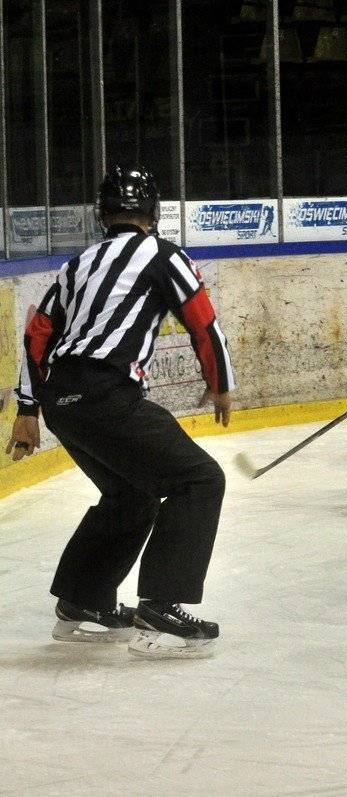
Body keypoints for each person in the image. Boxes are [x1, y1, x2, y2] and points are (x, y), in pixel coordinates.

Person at [5, 165, 234, 658]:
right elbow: (202, 321)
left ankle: (83, 601)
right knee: (199, 480)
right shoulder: (164, 255)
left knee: (131, 494)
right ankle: (162, 607)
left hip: (62, 398)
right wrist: (221, 384)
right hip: (106, 393)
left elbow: (37, 334)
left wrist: (28, 409)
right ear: (154, 212)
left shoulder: (77, 265)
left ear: (102, 214)